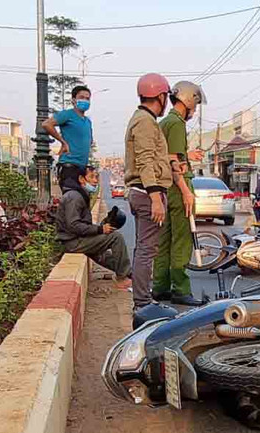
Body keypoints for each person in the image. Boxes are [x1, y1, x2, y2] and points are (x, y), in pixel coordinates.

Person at [152, 81, 206, 306]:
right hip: (177, 187)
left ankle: (160, 287)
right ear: (188, 100)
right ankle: (181, 290)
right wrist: (185, 191)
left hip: (165, 189)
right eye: (196, 104)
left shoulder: (165, 122)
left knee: (164, 241)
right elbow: (174, 161)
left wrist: (187, 155)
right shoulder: (176, 124)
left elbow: (170, 154)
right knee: (182, 241)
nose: (195, 110)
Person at [124, 73, 174, 309]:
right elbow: (144, 160)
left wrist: (169, 162)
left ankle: (142, 298)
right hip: (147, 194)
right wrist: (155, 198)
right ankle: (143, 302)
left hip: (142, 192)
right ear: (161, 96)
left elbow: (151, 156)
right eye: (166, 97)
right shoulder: (145, 121)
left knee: (143, 248)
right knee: (146, 250)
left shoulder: (143, 119)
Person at [55, 165, 131, 290]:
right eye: (91, 177)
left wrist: (98, 229)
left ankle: (129, 273)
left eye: (96, 177)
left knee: (102, 255)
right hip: (73, 241)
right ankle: (122, 278)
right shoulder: (74, 197)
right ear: (81, 179)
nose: (95, 181)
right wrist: (100, 230)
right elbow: (73, 225)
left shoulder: (79, 194)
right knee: (115, 237)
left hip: (77, 238)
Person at [43, 85, 94, 191]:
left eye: (87, 98)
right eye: (81, 97)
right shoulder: (67, 115)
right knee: (73, 196)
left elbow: (89, 141)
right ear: (74, 100)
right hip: (69, 166)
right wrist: (63, 142)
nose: (85, 100)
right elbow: (47, 124)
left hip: (82, 167)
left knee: (84, 197)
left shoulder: (88, 121)